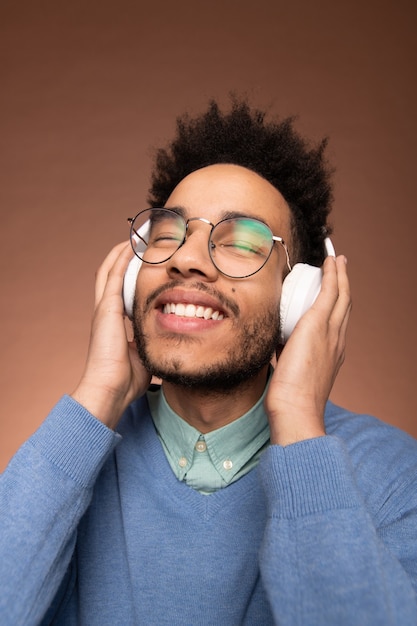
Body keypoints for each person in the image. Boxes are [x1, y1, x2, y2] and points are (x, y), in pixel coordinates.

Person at [1, 99, 417, 626]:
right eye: (169, 233)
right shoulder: (63, 467)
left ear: (300, 298)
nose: (185, 258)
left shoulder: (395, 477)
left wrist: (297, 424)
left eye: (241, 241)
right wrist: (96, 398)